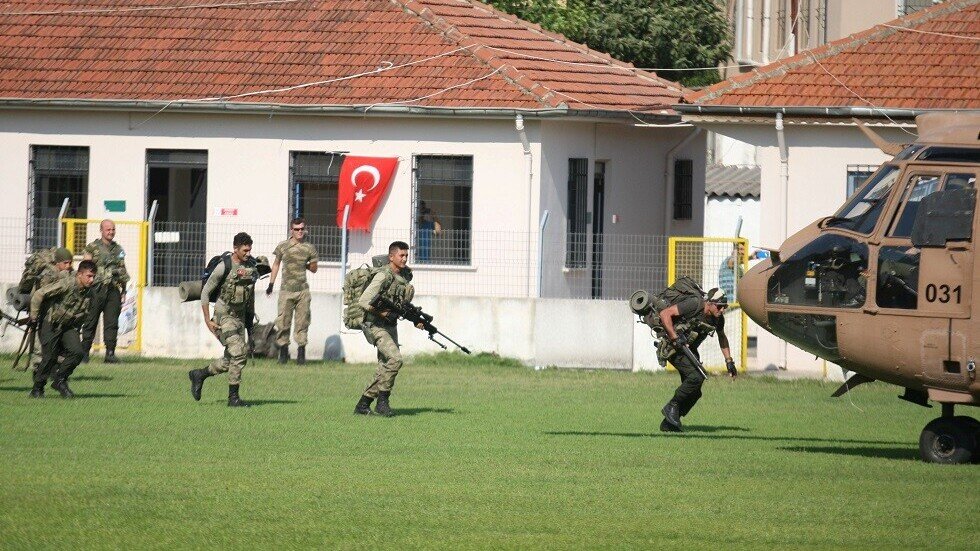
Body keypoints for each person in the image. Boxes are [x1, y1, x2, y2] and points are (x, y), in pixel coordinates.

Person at [188, 232, 259, 407]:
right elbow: (205, 292)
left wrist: (250, 327)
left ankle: (200, 374)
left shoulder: (251, 267)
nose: (248, 253)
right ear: (235, 248)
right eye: (244, 250)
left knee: (230, 360)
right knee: (239, 353)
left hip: (240, 317)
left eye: (249, 250)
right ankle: (233, 398)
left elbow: (250, 296)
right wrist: (207, 319)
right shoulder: (224, 266)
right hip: (223, 316)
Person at [352, 241, 421, 417]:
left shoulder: (404, 278)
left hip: (391, 326)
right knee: (395, 360)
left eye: (406, 255)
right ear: (391, 257)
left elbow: (400, 305)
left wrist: (416, 320)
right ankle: (383, 402)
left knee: (385, 365)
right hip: (375, 325)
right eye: (401, 255)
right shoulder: (383, 276)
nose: (405, 258)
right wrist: (382, 313)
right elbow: (364, 301)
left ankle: (363, 404)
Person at [658, 287, 737, 432]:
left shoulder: (718, 319)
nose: (722, 310)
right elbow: (665, 314)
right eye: (720, 306)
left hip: (690, 351)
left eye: (725, 307)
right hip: (673, 348)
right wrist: (675, 338)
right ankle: (671, 406)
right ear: (710, 303)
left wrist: (729, 361)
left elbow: (722, 337)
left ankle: (669, 424)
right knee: (696, 378)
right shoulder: (694, 305)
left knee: (695, 392)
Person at [28, 260, 97, 398]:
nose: (92, 279)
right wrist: (34, 317)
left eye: (93, 276)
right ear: (79, 274)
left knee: (77, 352)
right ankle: (37, 388)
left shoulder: (89, 293)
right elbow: (39, 294)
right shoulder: (66, 284)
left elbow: (84, 314)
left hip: (67, 325)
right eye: (89, 276)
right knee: (49, 357)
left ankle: (59, 380)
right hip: (50, 322)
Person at [266, 217, 318, 364]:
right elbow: (276, 264)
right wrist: (271, 284)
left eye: (302, 229)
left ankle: (301, 356)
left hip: (302, 291)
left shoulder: (309, 248)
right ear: (291, 230)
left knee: (302, 323)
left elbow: (314, 269)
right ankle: (283, 354)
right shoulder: (283, 246)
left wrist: (307, 265)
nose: (300, 231)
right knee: (283, 322)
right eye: (297, 229)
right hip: (285, 291)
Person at [81, 219, 130, 363]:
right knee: (90, 321)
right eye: (108, 229)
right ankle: (84, 353)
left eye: (113, 229)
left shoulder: (118, 249)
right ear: (101, 230)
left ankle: (110, 353)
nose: (111, 232)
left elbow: (122, 270)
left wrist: (124, 290)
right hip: (95, 289)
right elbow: (86, 268)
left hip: (113, 289)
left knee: (112, 322)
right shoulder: (92, 248)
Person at [27, 247, 75, 372]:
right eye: (65, 263)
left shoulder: (69, 274)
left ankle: (55, 371)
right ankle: (37, 372)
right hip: (44, 314)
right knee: (40, 346)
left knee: (59, 345)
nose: (68, 266)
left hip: (59, 316)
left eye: (70, 263)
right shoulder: (48, 274)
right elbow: (40, 295)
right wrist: (33, 316)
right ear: (57, 262)